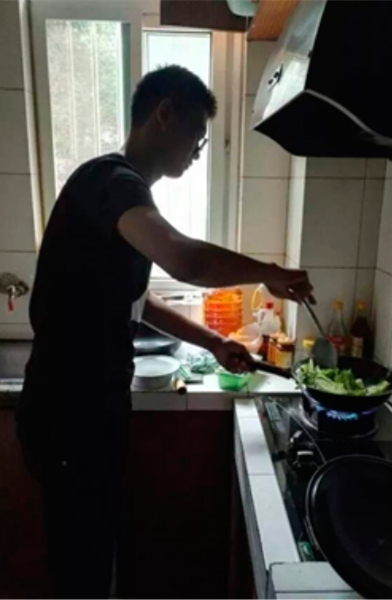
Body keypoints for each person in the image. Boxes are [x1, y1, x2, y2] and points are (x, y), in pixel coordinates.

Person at [16, 65, 314, 599]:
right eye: (198, 136)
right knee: (82, 567)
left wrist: (214, 342)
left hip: (90, 411)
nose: (198, 151)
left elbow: (139, 300)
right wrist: (269, 272)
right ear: (165, 113)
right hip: (69, 415)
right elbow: (183, 259)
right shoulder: (111, 182)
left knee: (94, 554)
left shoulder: (122, 194)